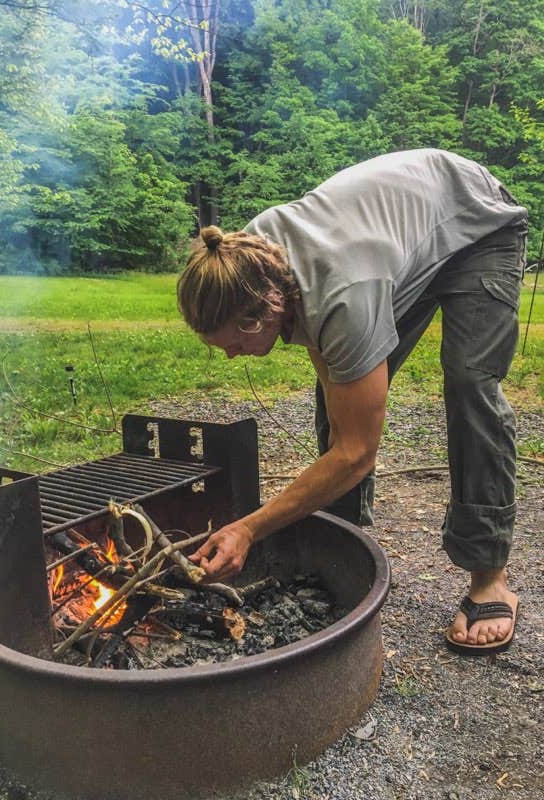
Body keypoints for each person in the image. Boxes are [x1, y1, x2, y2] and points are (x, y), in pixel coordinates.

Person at [176, 148, 528, 656]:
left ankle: (490, 577)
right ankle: (342, 556)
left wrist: (250, 528)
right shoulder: (245, 257)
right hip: (394, 245)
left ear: (261, 315)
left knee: (470, 383)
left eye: (231, 343)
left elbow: (357, 451)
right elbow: (328, 357)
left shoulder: (343, 294)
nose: (230, 356)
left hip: (476, 224)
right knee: (338, 398)